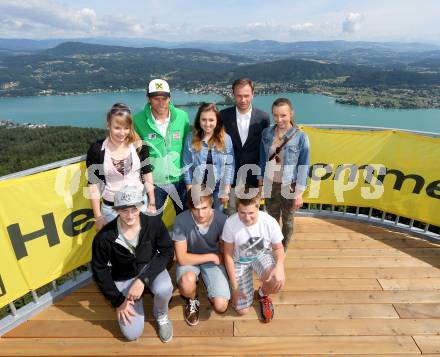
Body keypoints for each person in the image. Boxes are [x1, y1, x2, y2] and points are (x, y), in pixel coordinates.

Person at [91, 186, 174, 342]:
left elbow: (167, 251)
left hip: (148, 270)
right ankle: (131, 300)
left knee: (165, 288)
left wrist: (142, 279)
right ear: (116, 210)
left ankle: (161, 314)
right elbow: (99, 270)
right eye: (124, 210)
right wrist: (118, 301)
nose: (130, 215)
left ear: (140, 206)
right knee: (132, 334)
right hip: (123, 277)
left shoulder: (153, 223)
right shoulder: (104, 237)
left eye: (134, 209)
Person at [86, 103, 156, 231]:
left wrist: (152, 202)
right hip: (112, 210)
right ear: (108, 125)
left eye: (126, 128)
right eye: (117, 128)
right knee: (116, 248)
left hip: (139, 206)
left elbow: (147, 174)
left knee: (143, 244)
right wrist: (98, 217)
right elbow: (93, 185)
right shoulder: (97, 150)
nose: (122, 133)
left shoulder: (139, 146)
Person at [222, 191, 285, 323]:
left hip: (260, 255)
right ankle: (236, 284)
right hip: (239, 261)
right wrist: (234, 288)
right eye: (242, 213)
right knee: (242, 310)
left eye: (251, 213)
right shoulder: (230, 223)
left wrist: (279, 267)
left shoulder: (269, 221)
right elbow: (227, 255)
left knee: (276, 280)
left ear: (258, 207)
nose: (247, 218)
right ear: (237, 208)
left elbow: (278, 247)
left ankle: (263, 294)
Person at [172, 185, 230, 326]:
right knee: (186, 284)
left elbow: (227, 250)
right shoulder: (180, 220)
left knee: (221, 306)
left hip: (213, 260)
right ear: (189, 207)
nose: (201, 214)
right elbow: (182, 258)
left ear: (211, 204)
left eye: (204, 208)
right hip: (191, 259)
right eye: (196, 209)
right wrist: (211, 257)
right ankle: (192, 298)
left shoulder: (222, 219)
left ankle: (213, 289)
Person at [259, 98, 310, 251]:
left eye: (283, 115)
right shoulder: (266, 133)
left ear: (291, 114)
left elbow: (304, 165)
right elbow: (262, 158)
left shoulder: (301, 137)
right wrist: (261, 182)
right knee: (272, 219)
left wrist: (299, 193)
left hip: (290, 185)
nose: (279, 119)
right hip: (270, 183)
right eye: (275, 115)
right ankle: (273, 248)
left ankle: (283, 249)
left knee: (288, 222)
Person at [134, 79, 190, 216]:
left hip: (180, 179)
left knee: (186, 217)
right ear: (148, 98)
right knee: (153, 220)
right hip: (154, 182)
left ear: (169, 98)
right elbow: (135, 151)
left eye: (164, 98)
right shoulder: (137, 120)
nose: (161, 102)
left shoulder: (182, 117)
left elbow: (188, 147)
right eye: (156, 98)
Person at [220, 78, 270, 214]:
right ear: (233, 94)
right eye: (239, 96)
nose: (243, 100)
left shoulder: (263, 118)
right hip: (232, 177)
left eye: (246, 96)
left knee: (252, 214)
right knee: (231, 213)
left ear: (253, 94)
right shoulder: (223, 116)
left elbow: (264, 151)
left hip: (254, 176)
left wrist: (262, 179)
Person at [183, 103, 234, 210]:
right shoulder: (190, 138)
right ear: (199, 120)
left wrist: (226, 187)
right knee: (200, 216)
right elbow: (186, 165)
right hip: (198, 187)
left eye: (211, 120)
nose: (207, 124)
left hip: (218, 187)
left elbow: (229, 165)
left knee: (217, 216)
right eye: (204, 120)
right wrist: (190, 189)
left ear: (217, 121)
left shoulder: (226, 139)